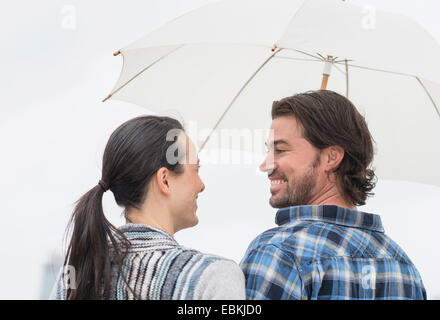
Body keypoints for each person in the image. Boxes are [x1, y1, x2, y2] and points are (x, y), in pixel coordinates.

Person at [240, 90, 426, 300]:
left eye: (280, 150)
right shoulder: (402, 266)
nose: (265, 165)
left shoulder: (278, 252)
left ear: (331, 157)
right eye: (268, 151)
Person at [51, 115, 245, 300]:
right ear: (165, 180)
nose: (201, 185)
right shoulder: (212, 276)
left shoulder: (75, 277)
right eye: (196, 169)